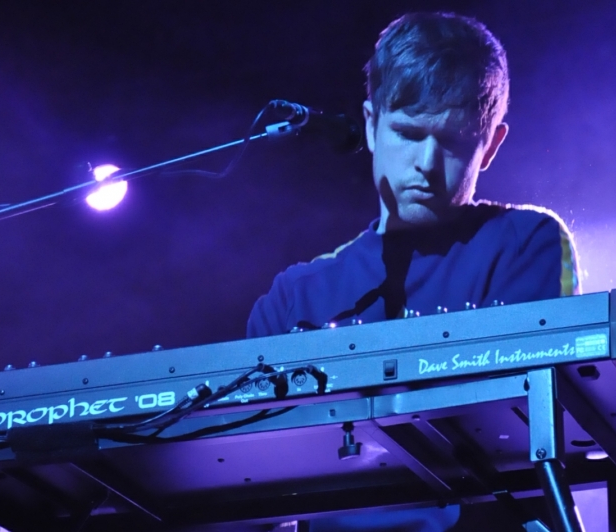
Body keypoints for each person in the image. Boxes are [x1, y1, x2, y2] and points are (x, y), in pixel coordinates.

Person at [247, 11, 580, 532]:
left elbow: (512, 429)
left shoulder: (523, 242)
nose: (426, 162)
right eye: (408, 132)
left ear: (490, 145)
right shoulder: (294, 297)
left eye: (453, 140)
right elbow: (256, 485)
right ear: (370, 125)